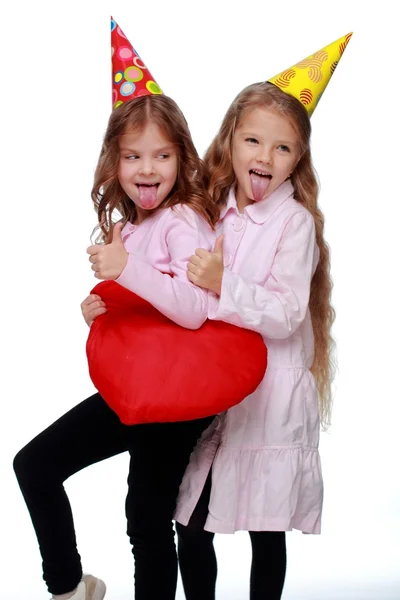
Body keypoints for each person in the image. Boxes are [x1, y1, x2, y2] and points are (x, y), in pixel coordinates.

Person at [13, 89, 220, 599]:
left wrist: (126, 268)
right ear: (115, 160)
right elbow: (141, 307)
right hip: (135, 389)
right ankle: (70, 587)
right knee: (35, 465)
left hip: (176, 396)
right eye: (133, 156)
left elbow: (193, 309)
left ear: (181, 158)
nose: (146, 169)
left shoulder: (182, 221)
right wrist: (98, 312)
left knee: (146, 521)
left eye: (161, 155)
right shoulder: (128, 228)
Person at [175, 33, 352, 600]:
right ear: (230, 140)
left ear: (298, 158)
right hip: (215, 389)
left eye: (282, 148)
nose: (265, 157)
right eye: (253, 140)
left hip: (269, 399)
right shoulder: (212, 209)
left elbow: (284, 312)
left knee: (265, 528)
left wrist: (223, 282)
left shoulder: (294, 224)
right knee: (192, 521)